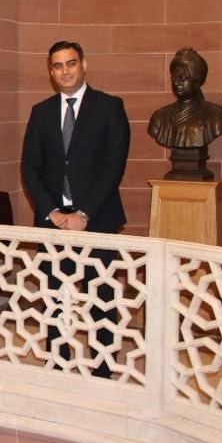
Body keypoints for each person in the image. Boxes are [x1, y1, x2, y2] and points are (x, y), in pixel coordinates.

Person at [20, 41, 130, 379]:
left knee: (101, 295)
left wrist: (83, 213)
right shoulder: (41, 112)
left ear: (84, 64)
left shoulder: (109, 107)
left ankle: (102, 365)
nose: (65, 70)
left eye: (71, 63)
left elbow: (114, 166)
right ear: (50, 72)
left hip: (98, 219)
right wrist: (52, 212)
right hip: (54, 221)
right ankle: (58, 359)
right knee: (56, 294)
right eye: (57, 66)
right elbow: (30, 168)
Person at [148, 46, 222, 150]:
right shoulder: (159, 117)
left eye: (183, 78)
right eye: (174, 78)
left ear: (198, 81)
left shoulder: (217, 115)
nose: (177, 83)